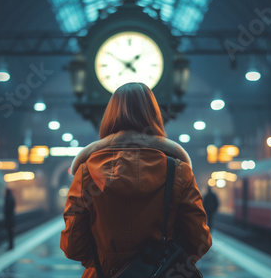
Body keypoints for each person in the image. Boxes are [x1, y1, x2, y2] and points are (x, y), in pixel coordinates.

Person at [60, 82, 212, 278]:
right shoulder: (178, 171)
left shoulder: (87, 172)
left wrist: (105, 263)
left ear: (109, 117)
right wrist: (162, 264)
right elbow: (199, 241)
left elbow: (72, 246)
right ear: (153, 116)